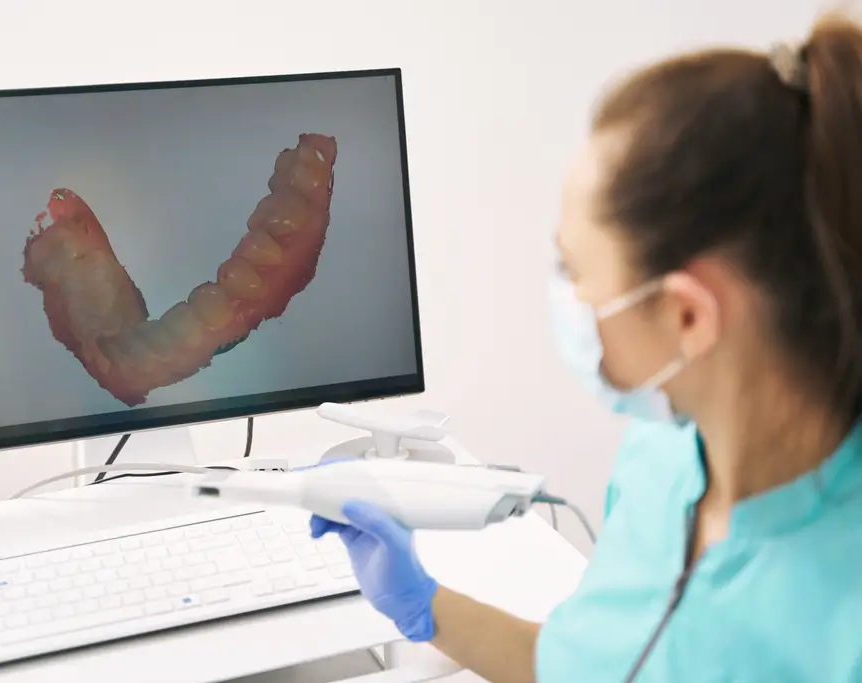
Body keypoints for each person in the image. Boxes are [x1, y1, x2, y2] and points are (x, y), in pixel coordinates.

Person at [311, 12, 862, 683]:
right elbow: (592, 665)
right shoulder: (661, 457)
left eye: (574, 268)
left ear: (687, 315)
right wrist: (424, 605)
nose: (565, 296)